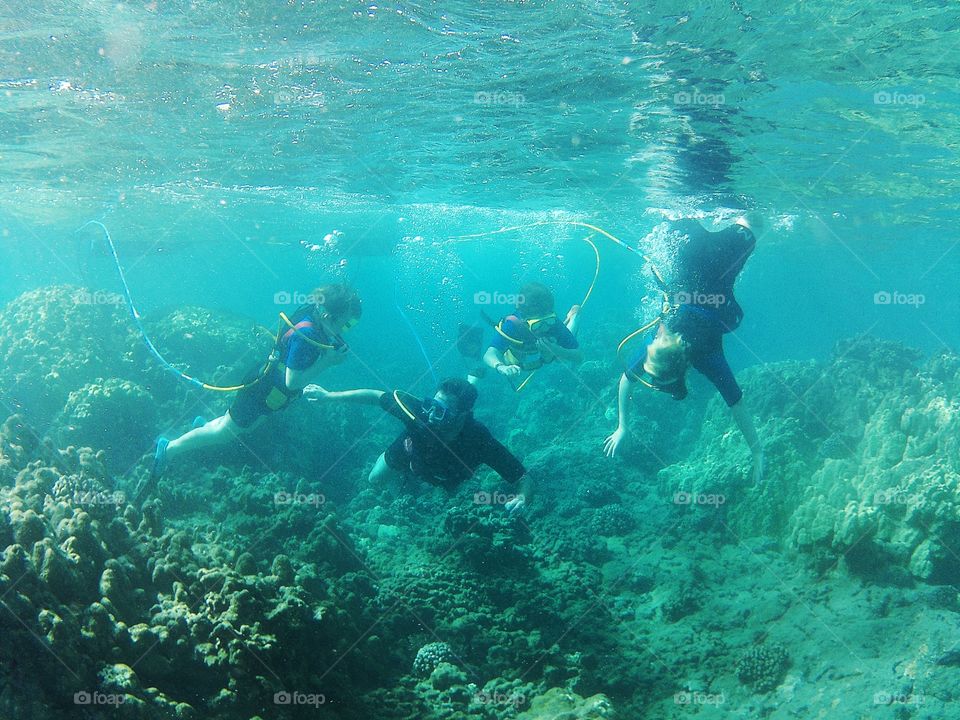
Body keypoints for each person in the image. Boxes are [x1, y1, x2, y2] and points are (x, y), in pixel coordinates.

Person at [147, 283, 362, 482]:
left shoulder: (313, 319)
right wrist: (327, 362)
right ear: (326, 315)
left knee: (238, 426)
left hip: (267, 390)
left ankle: (203, 428)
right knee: (224, 434)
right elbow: (293, 382)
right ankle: (169, 449)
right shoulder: (306, 334)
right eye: (345, 323)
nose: (344, 330)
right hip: (263, 391)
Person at [603, 218, 764, 484]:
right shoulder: (654, 346)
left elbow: (737, 404)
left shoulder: (707, 356)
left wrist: (757, 451)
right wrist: (622, 426)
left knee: (747, 221)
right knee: (682, 216)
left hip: (721, 261)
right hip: (689, 254)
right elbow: (626, 380)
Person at [304, 377, 530, 513]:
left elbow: (523, 478)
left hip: (450, 477)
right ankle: (404, 475)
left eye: (441, 411)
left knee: (450, 496)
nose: (430, 414)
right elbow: (375, 396)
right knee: (374, 479)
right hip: (408, 452)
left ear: (463, 415)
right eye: (431, 404)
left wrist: (522, 498)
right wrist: (328, 396)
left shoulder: (478, 439)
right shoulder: (419, 412)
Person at [482, 282, 582, 383]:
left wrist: (556, 350)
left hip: (550, 351)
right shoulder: (512, 325)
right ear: (524, 320)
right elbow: (489, 354)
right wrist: (501, 367)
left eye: (548, 320)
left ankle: (573, 317)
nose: (544, 328)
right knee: (511, 362)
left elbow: (579, 357)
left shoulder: (554, 323)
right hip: (520, 349)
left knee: (560, 359)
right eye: (537, 324)